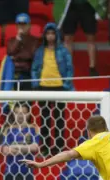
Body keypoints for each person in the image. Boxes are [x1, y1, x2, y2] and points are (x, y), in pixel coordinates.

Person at [32, 23, 74, 155]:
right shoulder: (40, 51)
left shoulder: (63, 51)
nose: (50, 36)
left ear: (56, 35)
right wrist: (36, 84)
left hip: (59, 87)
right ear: (44, 35)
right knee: (44, 118)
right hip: (43, 87)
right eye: (48, 33)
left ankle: (58, 147)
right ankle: (44, 147)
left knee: (59, 118)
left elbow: (69, 68)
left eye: (52, 33)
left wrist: (66, 84)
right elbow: (34, 68)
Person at [1, 104, 40, 180]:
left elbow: (34, 148)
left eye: (23, 113)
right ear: (13, 114)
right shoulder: (8, 129)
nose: (20, 115)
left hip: (27, 171)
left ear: (29, 114)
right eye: (17, 113)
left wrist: (15, 147)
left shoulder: (34, 129)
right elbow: (6, 150)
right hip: (11, 171)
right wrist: (26, 148)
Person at [60, 0, 99, 76]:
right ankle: (68, 67)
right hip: (69, 6)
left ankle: (92, 68)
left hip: (87, 5)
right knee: (67, 38)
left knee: (91, 38)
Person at [7, 13, 39, 91]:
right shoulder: (11, 41)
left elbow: (31, 55)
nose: (22, 27)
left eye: (24, 24)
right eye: (19, 24)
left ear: (29, 26)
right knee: (14, 102)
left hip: (28, 74)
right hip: (13, 74)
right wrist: (18, 39)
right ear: (16, 26)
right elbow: (10, 52)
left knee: (26, 102)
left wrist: (17, 56)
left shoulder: (35, 40)